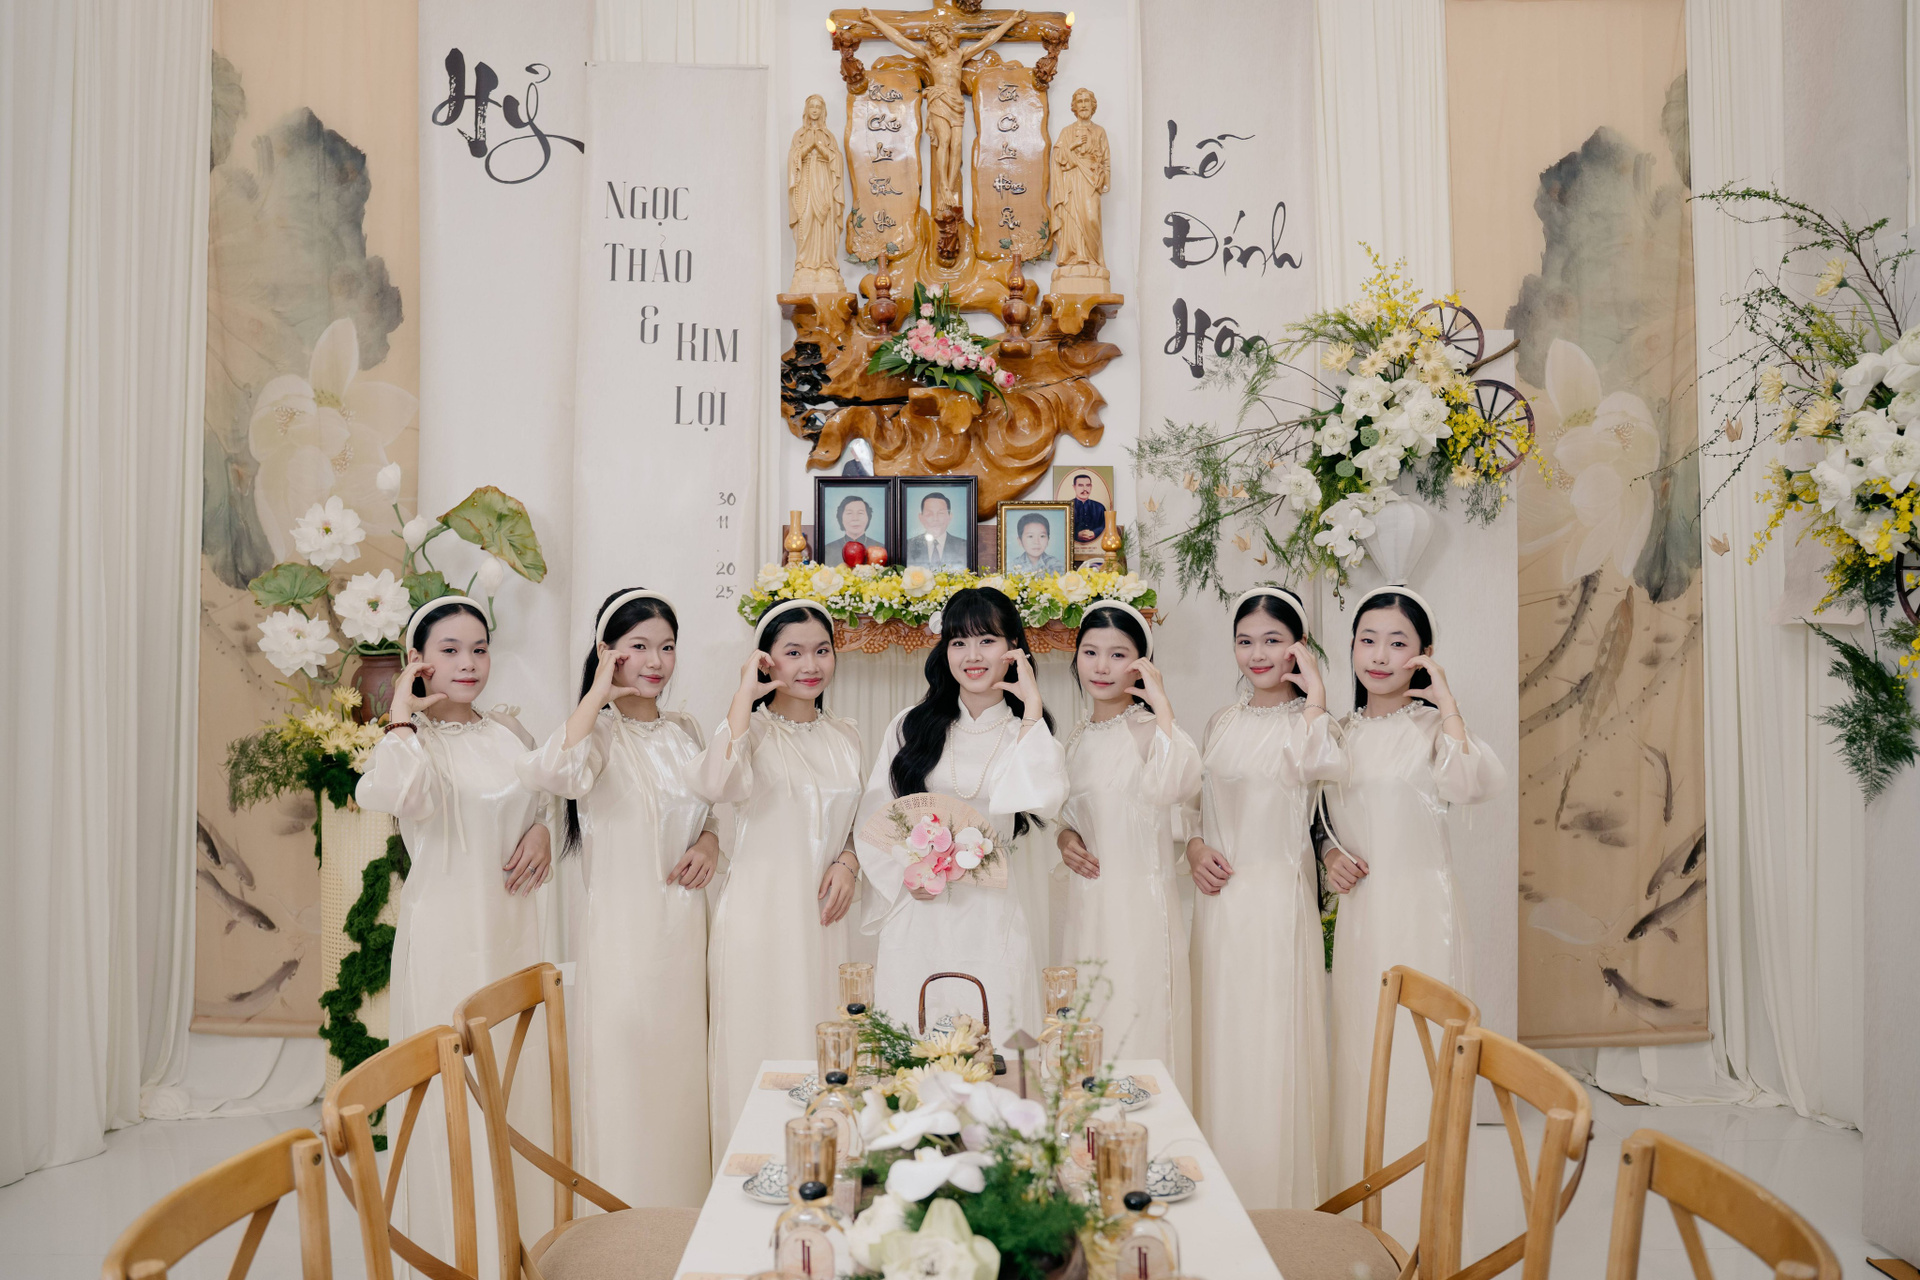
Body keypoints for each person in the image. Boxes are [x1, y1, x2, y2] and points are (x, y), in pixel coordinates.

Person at [355, 596, 554, 1270]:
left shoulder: (510, 731)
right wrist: (401, 714)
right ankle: (457, 1252)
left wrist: (541, 828)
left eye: (479, 649)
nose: (468, 663)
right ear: (418, 660)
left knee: (514, 1081)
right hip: (446, 934)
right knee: (452, 1086)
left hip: (513, 930)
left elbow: (541, 795)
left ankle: (523, 1247)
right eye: (449, 650)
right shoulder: (409, 743)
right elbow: (395, 797)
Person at [516, 589, 716, 1206]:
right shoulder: (596, 733)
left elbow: (713, 808)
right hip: (624, 939)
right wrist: (597, 696)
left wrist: (710, 842)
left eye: (667, 647)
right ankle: (621, 1224)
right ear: (607, 653)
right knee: (628, 1075)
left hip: (688, 935)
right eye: (638, 646)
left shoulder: (685, 731)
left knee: (683, 1075)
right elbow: (550, 773)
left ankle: (683, 1218)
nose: (655, 661)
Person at [1323, 587, 1504, 1240]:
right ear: (1351, 648)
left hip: (1425, 916)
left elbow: (1470, 785)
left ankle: (1427, 1232)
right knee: (1363, 1058)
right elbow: (1318, 817)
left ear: (1423, 655)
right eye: (1367, 640)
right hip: (1362, 918)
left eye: (1398, 643)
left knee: (1422, 1062)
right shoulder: (1338, 733)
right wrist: (1328, 855)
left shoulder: (1434, 731)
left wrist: (1446, 704)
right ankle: (1362, 1230)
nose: (1379, 655)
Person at [1181, 587, 1344, 1211]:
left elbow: (1321, 778)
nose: (1257, 654)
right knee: (1221, 1040)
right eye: (1245, 641)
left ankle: (1280, 1203)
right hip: (1219, 905)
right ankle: (1217, 1192)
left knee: (1274, 1041)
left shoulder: (1315, 723)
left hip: (1278, 901)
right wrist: (1195, 849)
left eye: (1273, 641)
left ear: (1298, 647)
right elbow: (1195, 807)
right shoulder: (1220, 722)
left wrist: (1317, 695)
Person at [855, 587, 1066, 1041]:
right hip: (919, 907)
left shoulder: (1026, 731)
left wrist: (1031, 706)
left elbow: (1044, 798)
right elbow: (878, 814)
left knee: (996, 1041)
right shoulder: (911, 725)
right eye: (959, 641)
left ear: (1014, 647)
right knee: (912, 1039)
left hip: (992, 912)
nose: (972, 655)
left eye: (987, 640)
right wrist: (908, 873)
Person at [690, 599, 864, 1151]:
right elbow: (715, 784)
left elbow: (861, 826)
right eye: (793, 652)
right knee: (761, 1051)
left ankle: (824, 1181)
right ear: (766, 660)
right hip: (760, 924)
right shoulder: (749, 732)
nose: (810, 665)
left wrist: (849, 861)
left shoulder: (847, 735)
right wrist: (745, 694)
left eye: (822, 651)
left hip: (826, 923)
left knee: (823, 1052)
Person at [1054, 602, 1201, 1090]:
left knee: (1136, 1022)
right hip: (1086, 908)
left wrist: (1162, 707)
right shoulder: (1076, 737)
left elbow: (1176, 785)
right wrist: (1065, 837)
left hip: (1139, 911)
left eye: (1118, 655)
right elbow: (1069, 815)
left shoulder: (1149, 731)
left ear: (1141, 664)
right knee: (1088, 1023)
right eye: (1090, 652)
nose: (1101, 666)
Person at [906, 490, 969, 570]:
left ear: (949, 517)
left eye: (941, 513)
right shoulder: (907, 546)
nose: (935, 519)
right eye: (929, 514)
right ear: (921, 518)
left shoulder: (964, 546)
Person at [823, 493, 885, 565]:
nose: (855, 518)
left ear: (868, 517)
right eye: (849, 513)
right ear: (840, 517)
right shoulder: (828, 549)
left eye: (860, 513)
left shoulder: (881, 548)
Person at [1067, 471, 1106, 546]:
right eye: (1080, 485)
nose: (1085, 489)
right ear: (1074, 487)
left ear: (1091, 487)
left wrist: (1095, 533)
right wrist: (1076, 534)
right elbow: (1061, 528)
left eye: (1088, 485)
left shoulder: (1100, 507)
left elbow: (1105, 526)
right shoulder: (1067, 507)